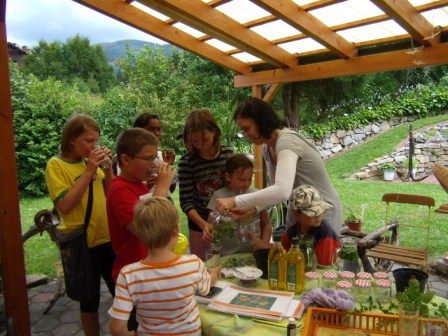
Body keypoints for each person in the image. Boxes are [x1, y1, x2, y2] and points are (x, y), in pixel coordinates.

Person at [216, 97, 343, 234]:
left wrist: (235, 200)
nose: (245, 135)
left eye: (247, 129)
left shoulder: (287, 142)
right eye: (243, 130)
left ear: (261, 121)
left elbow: (282, 191)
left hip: (321, 214)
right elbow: (276, 192)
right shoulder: (267, 148)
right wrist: (253, 209)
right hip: (300, 214)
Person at [45, 113, 116, 336]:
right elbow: (64, 206)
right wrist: (88, 172)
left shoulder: (89, 163)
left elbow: (110, 194)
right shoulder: (56, 166)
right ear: (71, 139)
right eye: (88, 140)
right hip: (82, 243)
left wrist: (108, 168)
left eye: (95, 141)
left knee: (123, 294)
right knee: (89, 300)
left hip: (107, 239)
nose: (93, 146)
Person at [109, 197, 221, 336]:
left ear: (140, 234)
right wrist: (214, 273)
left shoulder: (128, 275)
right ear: (175, 230)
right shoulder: (193, 264)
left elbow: (117, 329)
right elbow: (207, 287)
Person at [106, 127, 175, 331]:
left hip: (147, 272)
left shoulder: (139, 184)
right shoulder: (120, 190)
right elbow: (150, 228)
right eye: (148, 158)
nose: (154, 164)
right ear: (125, 160)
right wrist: (162, 187)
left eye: (156, 157)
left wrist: (155, 188)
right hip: (134, 277)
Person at [178, 109, 233, 260]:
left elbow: (234, 189)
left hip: (226, 223)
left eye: (205, 139)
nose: (201, 145)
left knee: (227, 264)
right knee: (203, 266)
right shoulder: (186, 162)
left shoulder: (228, 155)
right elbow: (186, 202)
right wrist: (204, 225)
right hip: (198, 226)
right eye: (195, 141)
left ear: (214, 132)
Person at [250, 185, 340, 267]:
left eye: (321, 210)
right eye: (313, 213)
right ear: (296, 214)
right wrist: (261, 245)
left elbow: (323, 265)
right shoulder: (291, 233)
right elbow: (282, 252)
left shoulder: (324, 232)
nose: (318, 216)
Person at [207, 153, 272, 256]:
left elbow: (266, 225)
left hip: (253, 253)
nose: (247, 183)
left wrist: (262, 245)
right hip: (227, 255)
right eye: (242, 179)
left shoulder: (257, 195)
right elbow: (210, 225)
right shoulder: (219, 196)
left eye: (250, 179)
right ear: (228, 177)